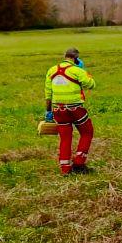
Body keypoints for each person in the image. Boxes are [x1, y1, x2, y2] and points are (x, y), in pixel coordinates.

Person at [43, 47, 96, 175]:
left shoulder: (52, 70)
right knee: (87, 132)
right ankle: (79, 163)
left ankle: (65, 169)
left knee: (65, 138)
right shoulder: (77, 70)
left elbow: (48, 93)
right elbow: (91, 84)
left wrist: (48, 111)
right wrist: (84, 71)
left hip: (58, 110)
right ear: (76, 58)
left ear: (65, 56)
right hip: (75, 109)